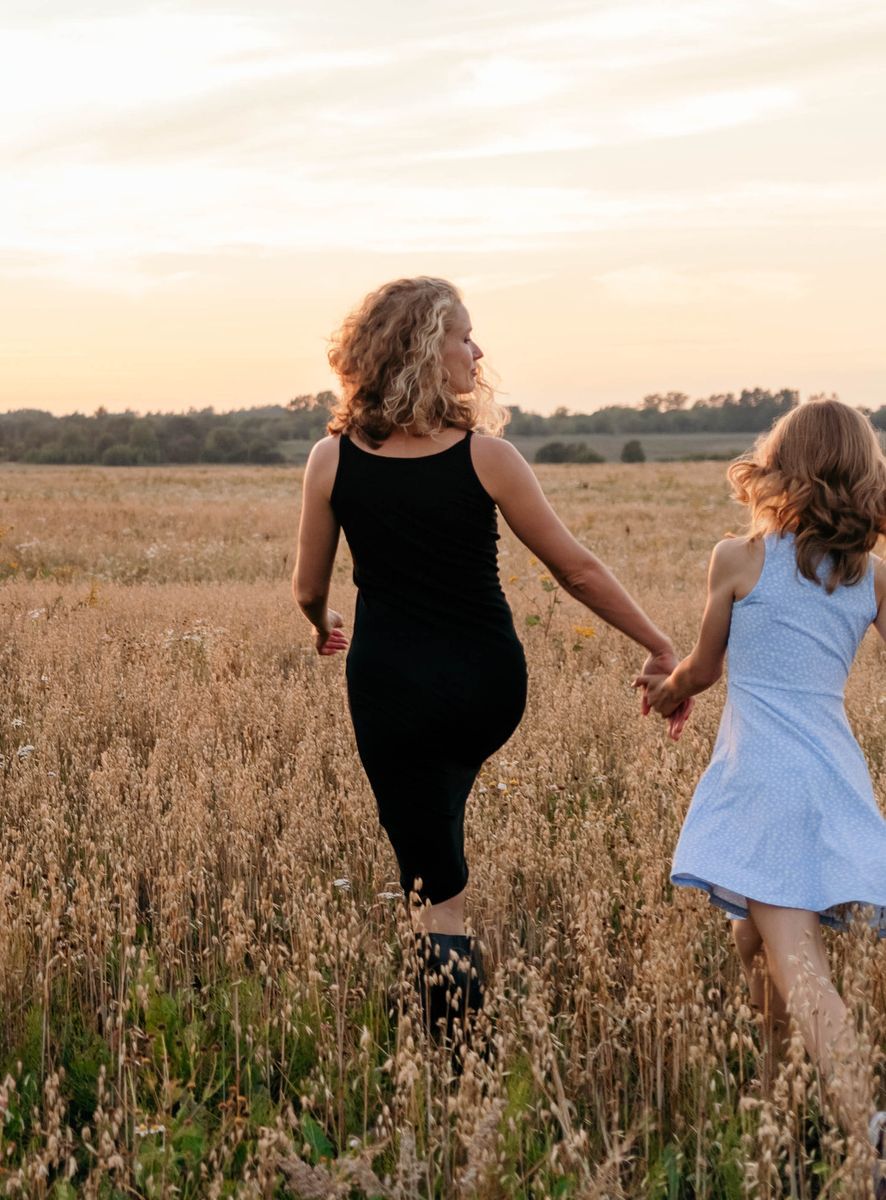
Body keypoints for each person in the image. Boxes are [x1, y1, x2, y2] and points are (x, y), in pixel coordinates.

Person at [293, 277, 685, 1029]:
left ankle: (452, 1053)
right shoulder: (487, 457)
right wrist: (658, 643)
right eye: (462, 335)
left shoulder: (331, 459)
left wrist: (321, 621)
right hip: (487, 689)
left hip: (393, 694)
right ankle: (446, 999)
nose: (477, 350)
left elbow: (308, 584)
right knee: (436, 827)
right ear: (421, 350)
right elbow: (576, 568)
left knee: (433, 881)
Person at [644, 397, 886, 1200]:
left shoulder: (738, 559)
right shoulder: (874, 578)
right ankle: (774, 1112)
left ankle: (878, 1135)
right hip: (831, 778)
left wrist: (665, 692)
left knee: (798, 966)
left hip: (763, 788)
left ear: (779, 467)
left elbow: (702, 669)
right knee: (754, 943)